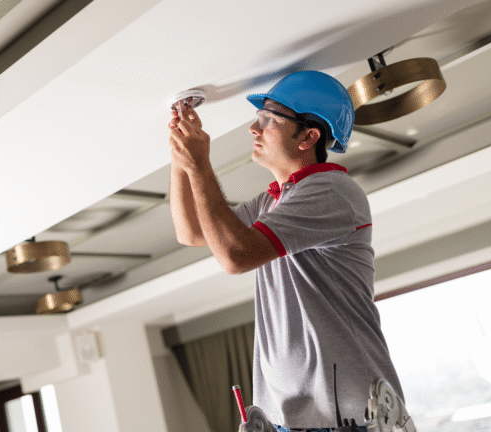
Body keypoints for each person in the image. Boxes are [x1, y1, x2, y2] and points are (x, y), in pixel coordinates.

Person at [167, 71, 404, 430]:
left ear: (309, 136)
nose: (254, 128)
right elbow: (193, 232)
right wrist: (182, 158)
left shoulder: (332, 190)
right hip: (293, 419)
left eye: (270, 119)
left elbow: (236, 256)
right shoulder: (273, 201)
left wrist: (199, 164)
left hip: (348, 415)